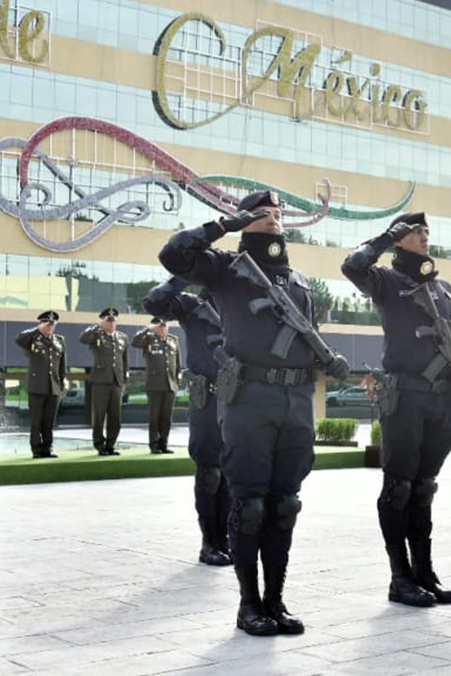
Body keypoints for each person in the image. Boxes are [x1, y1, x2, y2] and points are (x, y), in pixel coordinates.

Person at [162, 190, 348, 634]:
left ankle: (276, 601)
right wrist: (223, 226)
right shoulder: (226, 269)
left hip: (296, 401)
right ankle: (249, 606)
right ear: (245, 219)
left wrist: (329, 359)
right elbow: (173, 254)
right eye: (262, 213)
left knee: (285, 504)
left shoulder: (300, 282)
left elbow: (308, 336)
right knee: (249, 505)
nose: (273, 219)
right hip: (248, 400)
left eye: (278, 213)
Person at [343, 212, 451, 607]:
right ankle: (399, 577)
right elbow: (352, 266)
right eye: (414, 231)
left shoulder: (442, 287)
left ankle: (424, 571)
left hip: (442, 398)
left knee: (424, 488)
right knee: (399, 487)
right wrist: (386, 237)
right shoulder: (386, 280)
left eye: (425, 231)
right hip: (405, 397)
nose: (423, 236)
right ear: (401, 240)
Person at [145, 275, 232, 567]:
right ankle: (210, 543)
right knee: (210, 473)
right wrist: (184, 275)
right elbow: (154, 302)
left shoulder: (242, 306)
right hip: (207, 400)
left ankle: (227, 539)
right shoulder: (193, 306)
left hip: (238, 401)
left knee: (232, 474)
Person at [14, 311, 67, 458]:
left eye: (52, 324)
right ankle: (37, 449)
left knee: (49, 421)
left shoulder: (60, 341)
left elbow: (62, 365)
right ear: (41, 323)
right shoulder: (32, 338)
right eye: (47, 324)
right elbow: (18, 339)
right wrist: (37, 329)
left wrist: (62, 381)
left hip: (53, 386)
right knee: (36, 420)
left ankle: (48, 447)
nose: (50, 327)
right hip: (37, 386)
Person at [80, 307, 128, 455]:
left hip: (116, 381)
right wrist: (97, 326)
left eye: (114, 321)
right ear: (103, 322)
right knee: (99, 415)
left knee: (115, 416)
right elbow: (83, 338)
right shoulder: (97, 335)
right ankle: (100, 445)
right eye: (108, 321)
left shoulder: (122, 337)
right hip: (100, 381)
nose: (112, 323)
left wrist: (124, 379)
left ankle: (111, 445)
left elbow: (125, 361)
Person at [132, 316, 183, 453]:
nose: (163, 328)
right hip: (155, 384)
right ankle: (154, 445)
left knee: (167, 417)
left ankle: (164, 444)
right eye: (160, 326)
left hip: (170, 384)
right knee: (154, 416)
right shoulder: (149, 338)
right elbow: (135, 342)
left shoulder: (173, 340)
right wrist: (148, 328)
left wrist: (176, 381)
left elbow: (178, 364)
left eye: (165, 325)